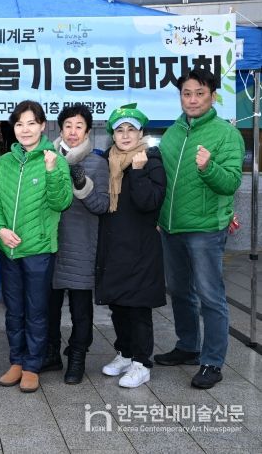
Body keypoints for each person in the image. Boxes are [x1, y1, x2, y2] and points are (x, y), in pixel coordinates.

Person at [154, 69, 245, 389]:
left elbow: (231, 182)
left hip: (205, 229)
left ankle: (212, 361)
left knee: (210, 295)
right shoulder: (173, 133)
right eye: (186, 93)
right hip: (171, 227)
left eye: (200, 93)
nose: (192, 100)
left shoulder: (226, 134)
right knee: (179, 291)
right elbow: (163, 179)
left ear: (213, 96)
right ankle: (188, 346)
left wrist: (208, 167)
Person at [0, 101, 72, 393]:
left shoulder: (55, 159)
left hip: (39, 249)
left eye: (31, 123)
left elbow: (62, 202)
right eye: (20, 124)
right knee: (13, 310)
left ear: (42, 126)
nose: (25, 129)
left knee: (36, 310)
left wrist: (51, 171)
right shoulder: (4, 162)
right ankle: (16, 360)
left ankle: (32, 366)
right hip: (8, 250)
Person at [96, 105, 166, 389]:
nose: (125, 135)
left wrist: (137, 172)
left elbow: (149, 202)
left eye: (131, 130)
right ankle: (125, 353)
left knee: (138, 308)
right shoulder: (107, 161)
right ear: (112, 134)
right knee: (118, 306)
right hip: (114, 247)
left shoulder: (151, 161)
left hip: (141, 249)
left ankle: (142, 363)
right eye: (120, 130)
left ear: (141, 133)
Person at [43, 104, 109, 385]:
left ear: (87, 130)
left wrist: (83, 185)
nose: (72, 132)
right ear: (60, 129)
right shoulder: (47, 158)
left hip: (81, 245)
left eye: (79, 126)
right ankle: (51, 353)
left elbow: (102, 205)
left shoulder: (97, 163)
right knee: (48, 306)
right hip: (49, 244)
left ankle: (77, 357)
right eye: (68, 126)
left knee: (80, 310)